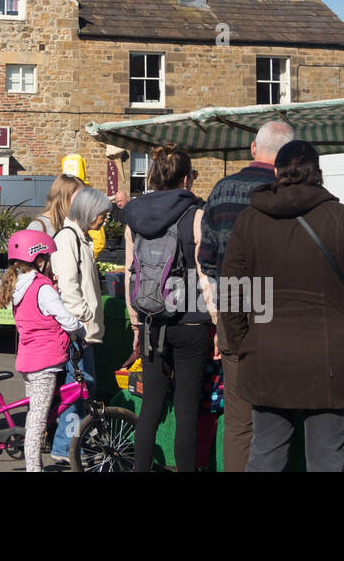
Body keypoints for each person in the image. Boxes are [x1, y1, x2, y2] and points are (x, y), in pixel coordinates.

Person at [222, 140, 344, 472]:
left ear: (278, 173)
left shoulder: (250, 220)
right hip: (331, 360)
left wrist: (242, 344)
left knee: (266, 453)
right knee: (325, 459)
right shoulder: (343, 218)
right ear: (318, 173)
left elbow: (232, 292)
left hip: (269, 354)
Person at [195, 119, 294, 471]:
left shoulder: (222, 190)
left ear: (254, 148)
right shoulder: (290, 192)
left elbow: (205, 259)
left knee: (238, 416)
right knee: (280, 412)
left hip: (234, 307)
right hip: (282, 314)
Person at [122, 144, 212, 472]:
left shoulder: (134, 215)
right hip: (192, 322)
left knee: (150, 407)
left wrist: (136, 326)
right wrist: (216, 323)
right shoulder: (196, 216)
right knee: (187, 410)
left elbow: (133, 271)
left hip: (150, 322)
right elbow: (205, 277)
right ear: (186, 179)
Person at [0, 229, 85, 473]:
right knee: (36, 420)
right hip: (45, 362)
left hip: (29, 359)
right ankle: (34, 468)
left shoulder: (19, 286)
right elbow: (66, 320)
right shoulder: (42, 289)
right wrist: (81, 328)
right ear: (38, 259)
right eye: (48, 258)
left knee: (37, 413)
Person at [47, 185, 108, 463]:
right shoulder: (68, 238)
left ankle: (72, 444)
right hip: (78, 330)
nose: (103, 220)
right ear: (86, 211)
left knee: (83, 388)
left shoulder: (79, 237)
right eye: (100, 215)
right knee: (79, 388)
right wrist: (84, 316)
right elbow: (69, 287)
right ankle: (65, 445)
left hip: (83, 330)